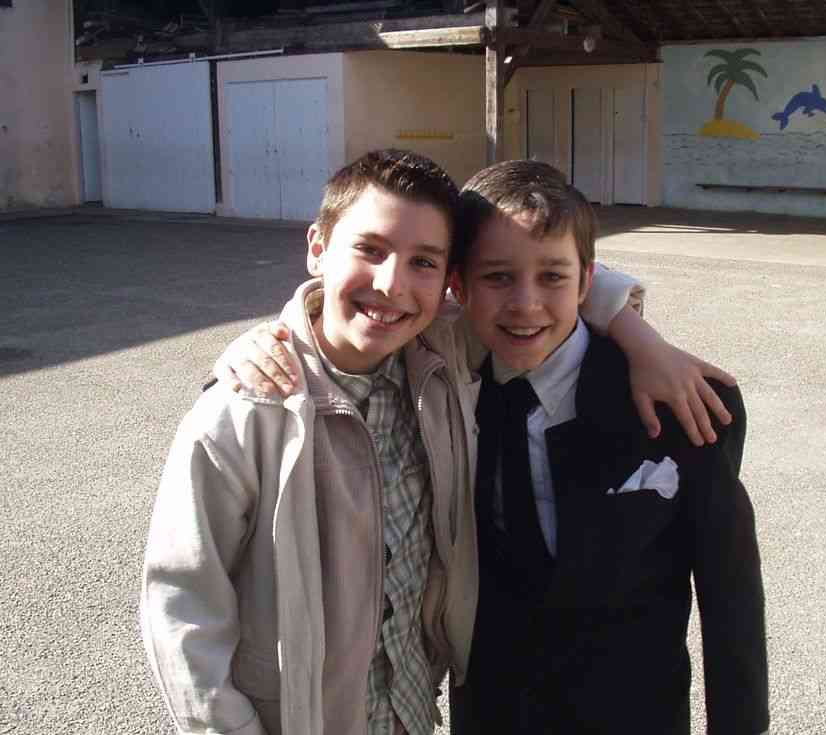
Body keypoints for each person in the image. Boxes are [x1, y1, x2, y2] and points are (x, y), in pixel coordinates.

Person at [141, 149, 734, 735]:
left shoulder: (437, 355)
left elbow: (555, 279)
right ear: (317, 248)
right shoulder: (249, 407)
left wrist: (641, 337)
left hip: (410, 713)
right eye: (370, 249)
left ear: (447, 280)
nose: (391, 284)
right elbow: (181, 607)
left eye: (422, 261)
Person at [447, 160, 768, 735]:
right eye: (497, 277)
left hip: (634, 711)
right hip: (493, 711)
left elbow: (730, 592)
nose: (525, 304)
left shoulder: (679, 401)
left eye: (553, 277)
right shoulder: (448, 390)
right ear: (460, 285)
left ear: (586, 284)